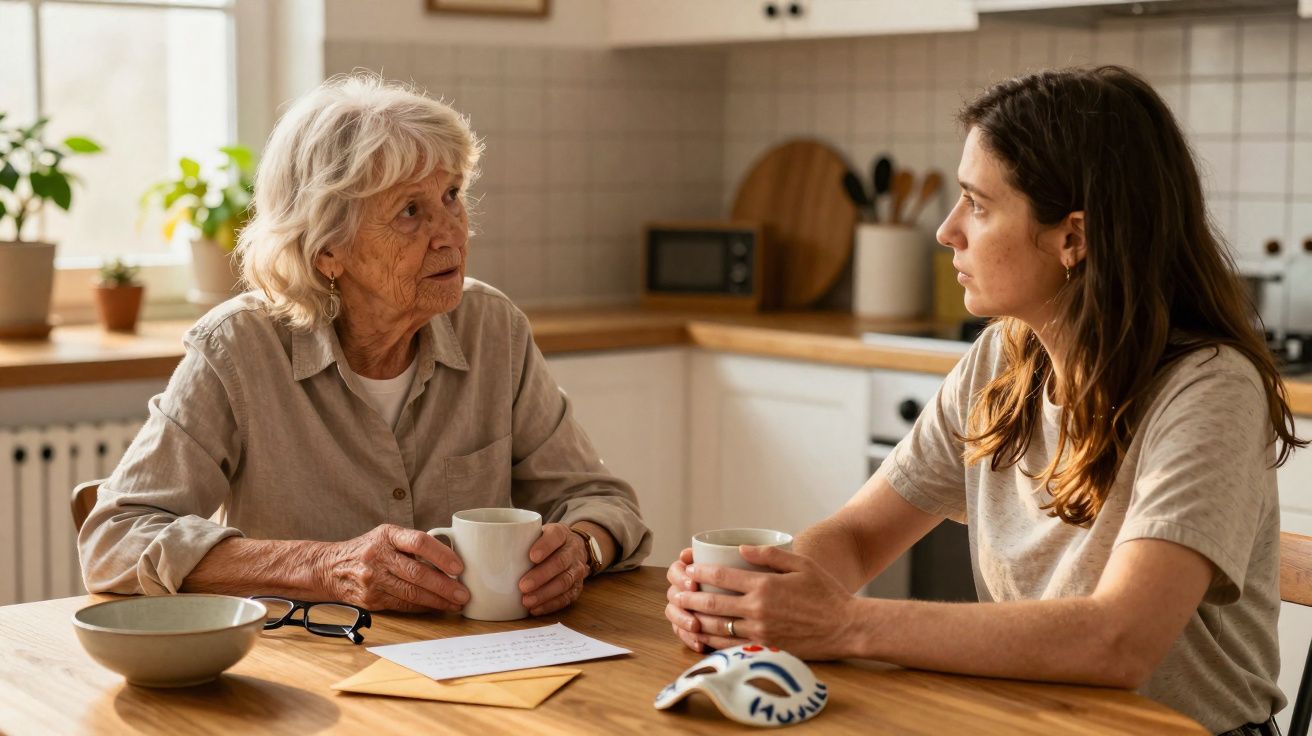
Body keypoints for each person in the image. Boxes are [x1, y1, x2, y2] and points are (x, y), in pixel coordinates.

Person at [665, 66, 1302, 735]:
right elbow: (856, 537)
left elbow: (1118, 640)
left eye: (978, 204)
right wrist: (757, 595)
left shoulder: (1209, 390)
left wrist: (844, 623)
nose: (946, 231)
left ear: (1073, 239)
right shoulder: (1004, 358)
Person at [78, 74, 650, 616]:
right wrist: (325, 567)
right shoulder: (238, 348)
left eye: (452, 195)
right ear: (328, 249)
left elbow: (602, 500)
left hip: (480, 668)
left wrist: (582, 548)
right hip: (306, 680)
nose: (450, 232)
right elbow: (115, 538)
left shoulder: (492, 328)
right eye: (410, 211)